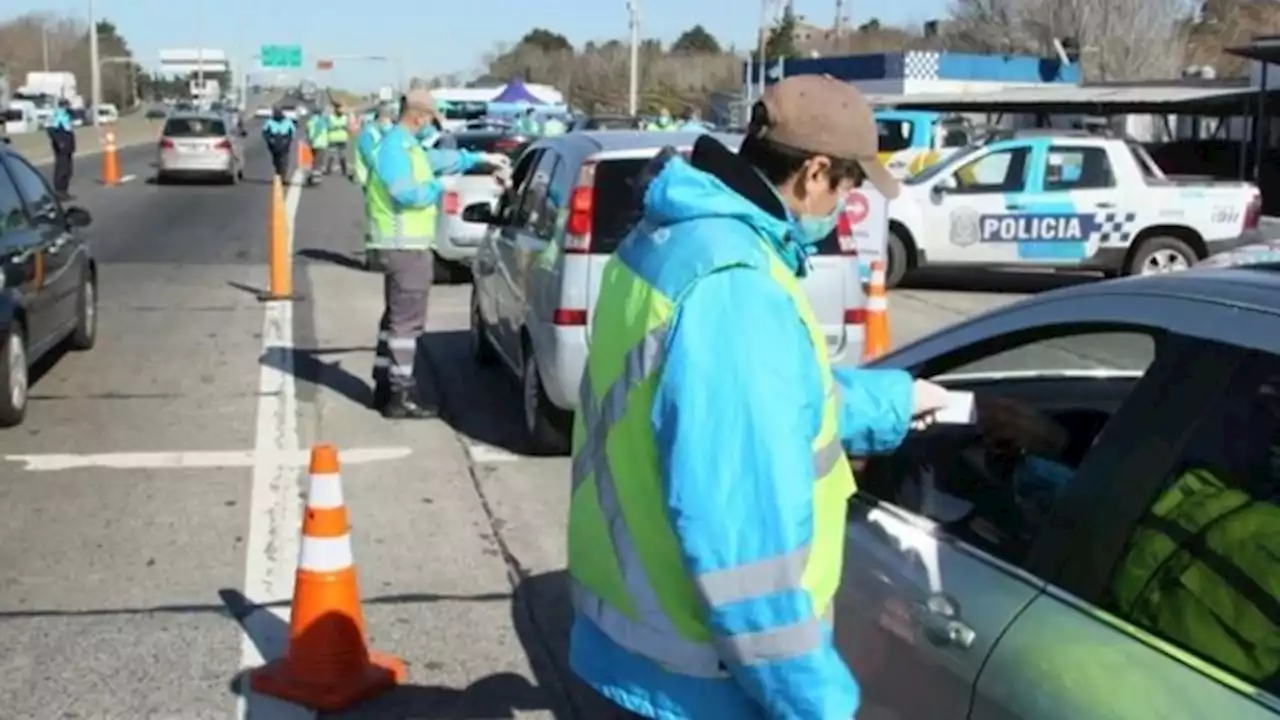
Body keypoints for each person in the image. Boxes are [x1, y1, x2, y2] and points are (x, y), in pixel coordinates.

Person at [565, 75, 952, 719]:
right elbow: (745, 549)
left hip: (634, 638)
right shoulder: (736, 288)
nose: (851, 203)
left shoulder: (677, 240)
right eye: (852, 184)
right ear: (815, 172)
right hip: (696, 679)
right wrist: (817, 704)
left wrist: (901, 401)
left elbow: (773, 407)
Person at [364, 89, 512, 418]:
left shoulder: (405, 147)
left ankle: (385, 382)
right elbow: (408, 194)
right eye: (430, 120)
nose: (431, 126)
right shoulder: (395, 149)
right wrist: (441, 187)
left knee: (395, 318)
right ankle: (400, 394)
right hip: (404, 246)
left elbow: (437, 160)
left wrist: (480, 160)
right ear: (418, 116)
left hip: (400, 246)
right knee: (407, 323)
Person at [47, 100, 76, 201]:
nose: (68, 107)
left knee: (68, 170)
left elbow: (73, 118)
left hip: (68, 146)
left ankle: (65, 191)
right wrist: (60, 142)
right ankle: (59, 192)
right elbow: (51, 131)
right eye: (67, 106)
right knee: (61, 169)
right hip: (62, 145)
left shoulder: (66, 115)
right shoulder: (57, 116)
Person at [262, 108, 296, 180]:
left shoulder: (287, 121)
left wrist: (288, 140)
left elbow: (292, 132)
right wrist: (269, 140)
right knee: (276, 159)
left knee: (284, 158)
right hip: (274, 142)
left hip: (284, 140)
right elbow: (265, 132)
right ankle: (279, 171)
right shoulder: (269, 122)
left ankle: (283, 174)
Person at [324, 102, 351, 178]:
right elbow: (328, 126)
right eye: (339, 109)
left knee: (342, 155)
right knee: (332, 155)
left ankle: (344, 171)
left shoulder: (345, 117)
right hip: (333, 138)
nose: (341, 111)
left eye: (341, 109)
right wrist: (337, 127)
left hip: (342, 139)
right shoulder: (330, 117)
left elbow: (347, 126)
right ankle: (328, 169)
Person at [305, 112, 329, 185]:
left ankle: (313, 176)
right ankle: (315, 178)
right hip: (321, 144)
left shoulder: (309, 122)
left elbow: (307, 132)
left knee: (314, 160)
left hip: (313, 144)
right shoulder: (322, 122)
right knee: (318, 162)